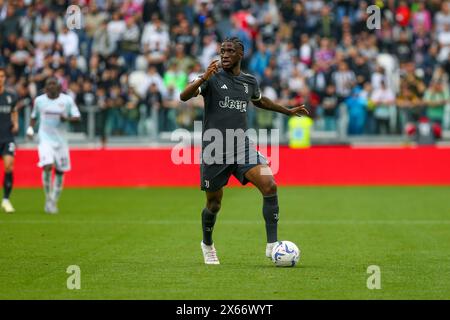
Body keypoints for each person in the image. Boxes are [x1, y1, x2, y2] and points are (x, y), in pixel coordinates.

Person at [179, 37, 309, 265]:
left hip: (242, 147)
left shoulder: (249, 81)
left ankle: (272, 246)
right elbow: (184, 95)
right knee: (214, 204)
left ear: (241, 54)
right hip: (215, 149)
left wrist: (286, 111)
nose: (225, 54)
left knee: (270, 185)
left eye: (230, 51)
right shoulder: (211, 77)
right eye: (222, 51)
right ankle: (207, 244)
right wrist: (203, 77)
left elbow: (260, 101)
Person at [26, 77, 81, 214]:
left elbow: (77, 117)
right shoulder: (39, 101)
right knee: (47, 166)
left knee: (60, 171)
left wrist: (67, 118)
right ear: (45, 87)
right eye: (48, 84)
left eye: (53, 84)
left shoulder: (67, 100)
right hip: (45, 139)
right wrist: (30, 129)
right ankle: (48, 198)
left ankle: (53, 201)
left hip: (61, 141)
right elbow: (34, 117)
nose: (51, 86)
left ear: (59, 87)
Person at [0, 67, 19, 213]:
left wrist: (16, 123)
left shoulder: (10, 96)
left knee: (8, 166)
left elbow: (14, 110)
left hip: (7, 137)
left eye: (2, 76)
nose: (0, 78)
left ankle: (6, 200)